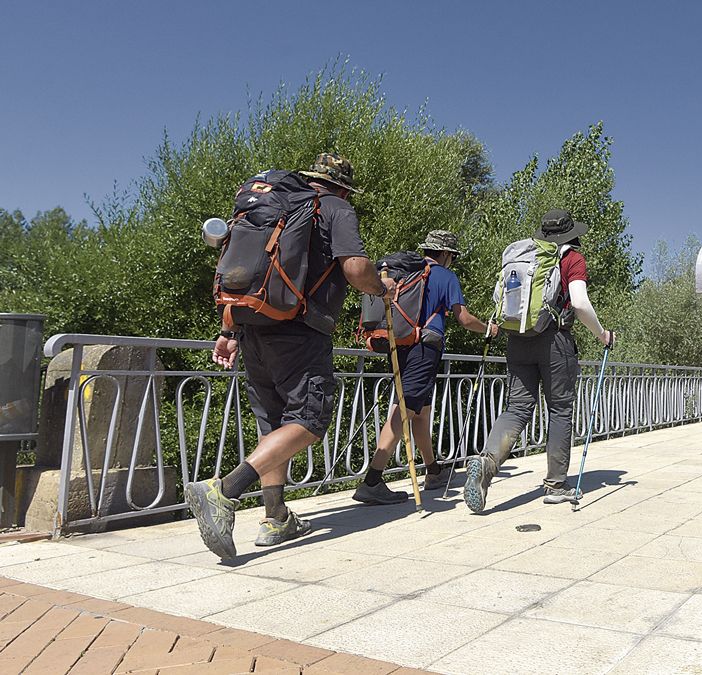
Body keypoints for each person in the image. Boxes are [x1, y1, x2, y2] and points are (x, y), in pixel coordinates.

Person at [185, 153, 395, 559]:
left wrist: (228, 331)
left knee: (274, 423)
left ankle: (276, 516)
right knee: (309, 420)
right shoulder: (335, 208)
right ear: (341, 186)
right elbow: (354, 268)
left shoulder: (267, 206)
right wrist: (380, 288)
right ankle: (223, 491)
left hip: (251, 325)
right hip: (300, 330)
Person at [462, 209, 615, 514]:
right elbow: (581, 303)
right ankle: (557, 486)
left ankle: (487, 462)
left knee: (517, 407)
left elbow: (499, 297)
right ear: (571, 235)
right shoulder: (572, 258)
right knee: (559, 409)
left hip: (518, 338)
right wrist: (602, 335)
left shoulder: (523, 256)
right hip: (554, 341)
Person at [352, 230, 497, 505]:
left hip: (403, 344)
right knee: (402, 411)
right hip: (424, 350)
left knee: (420, 413)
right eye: (451, 256)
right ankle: (372, 481)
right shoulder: (444, 276)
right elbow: (463, 318)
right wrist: (488, 329)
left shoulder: (407, 273)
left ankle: (433, 471)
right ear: (445, 254)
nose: (451, 260)